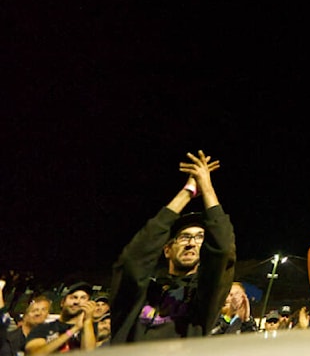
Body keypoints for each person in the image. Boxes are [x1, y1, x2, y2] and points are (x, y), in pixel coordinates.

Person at [109, 150, 236, 343]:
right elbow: (134, 259)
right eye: (184, 237)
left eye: (200, 237)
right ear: (167, 249)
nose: (191, 243)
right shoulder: (142, 293)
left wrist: (207, 187)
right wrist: (188, 192)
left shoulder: (203, 298)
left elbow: (223, 251)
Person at [24, 283, 96, 354]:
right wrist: (73, 330)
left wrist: (87, 320)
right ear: (62, 302)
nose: (77, 302)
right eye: (73, 297)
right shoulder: (43, 328)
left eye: (83, 298)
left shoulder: (90, 329)